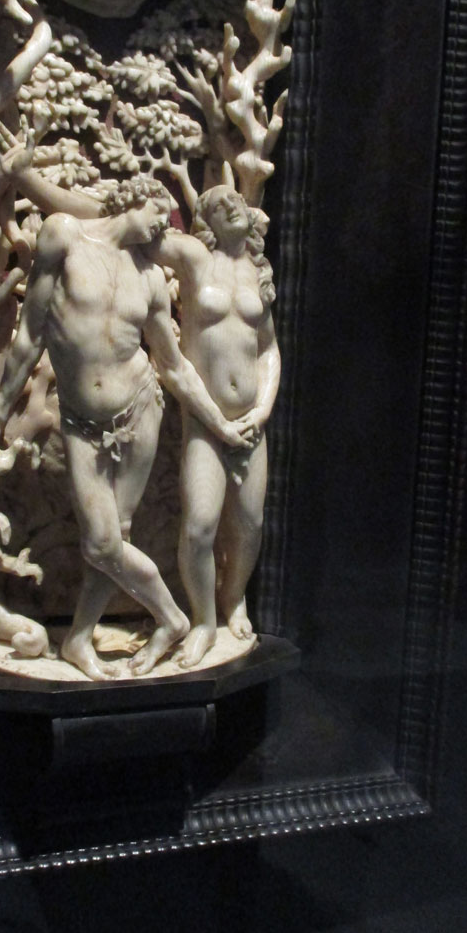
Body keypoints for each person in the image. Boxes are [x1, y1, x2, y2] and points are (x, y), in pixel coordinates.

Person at [0, 173, 254, 679]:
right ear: (137, 198)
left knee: (117, 534)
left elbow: (174, 367)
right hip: (81, 422)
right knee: (102, 544)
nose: (165, 225)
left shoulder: (151, 277)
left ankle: (78, 639)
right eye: (161, 211)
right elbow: (30, 333)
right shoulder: (65, 235)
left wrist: (221, 427)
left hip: (141, 409)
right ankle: (172, 618)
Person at [153, 185, 281, 668]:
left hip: (250, 422)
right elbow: (138, 233)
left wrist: (263, 408)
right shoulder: (193, 256)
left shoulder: (256, 271)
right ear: (204, 220)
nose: (231, 203)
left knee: (250, 524)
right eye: (217, 202)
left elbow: (269, 350)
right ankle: (203, 620)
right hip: (205, 422)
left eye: (236, 200)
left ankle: (233, 597)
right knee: (200, 526)